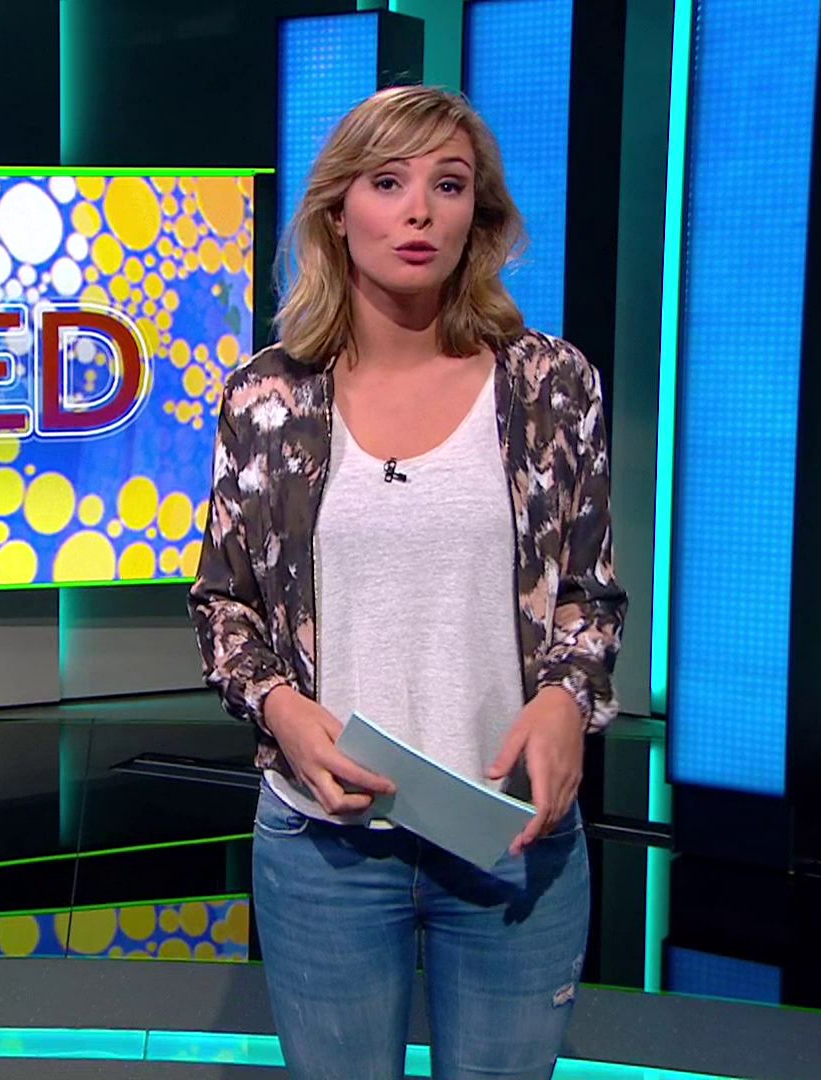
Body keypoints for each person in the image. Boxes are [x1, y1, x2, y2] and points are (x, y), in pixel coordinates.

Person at [187, 85, 626, 1080]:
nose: (419, 210)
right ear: (339, 212)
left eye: (449, 184)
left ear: (480, 214)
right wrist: (282, 709)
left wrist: (567, 698)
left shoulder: (550, 385)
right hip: (325, 849)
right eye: (388, 183)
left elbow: (589, 593)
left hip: (511, 834)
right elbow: (225, 607)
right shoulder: (267, 396)